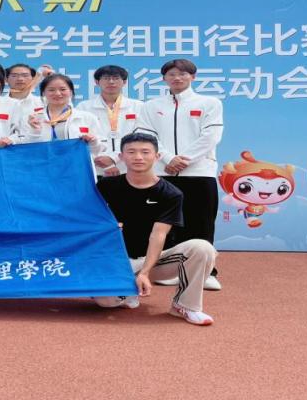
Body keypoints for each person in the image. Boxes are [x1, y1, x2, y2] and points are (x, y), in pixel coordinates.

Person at [94, 133, 218, 326]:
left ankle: (185, 306)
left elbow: (158, 234)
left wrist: (145, 272)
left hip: (155, 262)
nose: (138, 157)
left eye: (145, 152)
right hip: (118, 261)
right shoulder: (106, 186)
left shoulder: (171, 193)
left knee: (202, 248)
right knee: (106, 302)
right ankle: (128, 290)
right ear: (121, 156)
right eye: (131, 152)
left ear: (157, 156)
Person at [134, 59, 224, 291]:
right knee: (163, 223)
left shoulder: (209, 103)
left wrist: (184, 159)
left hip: (199, 172)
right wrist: (167, 158)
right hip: (162, 172)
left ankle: (206, 272)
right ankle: (166, 270)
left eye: (183, 74)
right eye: (171, 74)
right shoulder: (151, 106)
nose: (177, 78)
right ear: (164, 78)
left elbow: (211, 136)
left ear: (193, 77)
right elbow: (147, 136)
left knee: (201, 221)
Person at [76, 65, 145, 177]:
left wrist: (113, 159)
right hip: (96, 167)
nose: (111, 82)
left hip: (129, 167)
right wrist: (104, 163)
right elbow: (81, 139)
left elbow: (142, 137)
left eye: (116, 78)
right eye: (106, 78)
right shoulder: (84, 107)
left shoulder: (138, 106)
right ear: (97, 82)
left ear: (124, 82)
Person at [13, 74, 104, 159]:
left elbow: (98, 150)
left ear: (71, 92)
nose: (57, 93)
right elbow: (27, 148)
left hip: (76, 166)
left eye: (63, 89)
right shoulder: (32, 118)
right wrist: (35, 131)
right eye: (51, 90)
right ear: (43, 93)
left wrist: (93, 141)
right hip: (43, 166)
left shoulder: (87, 118)